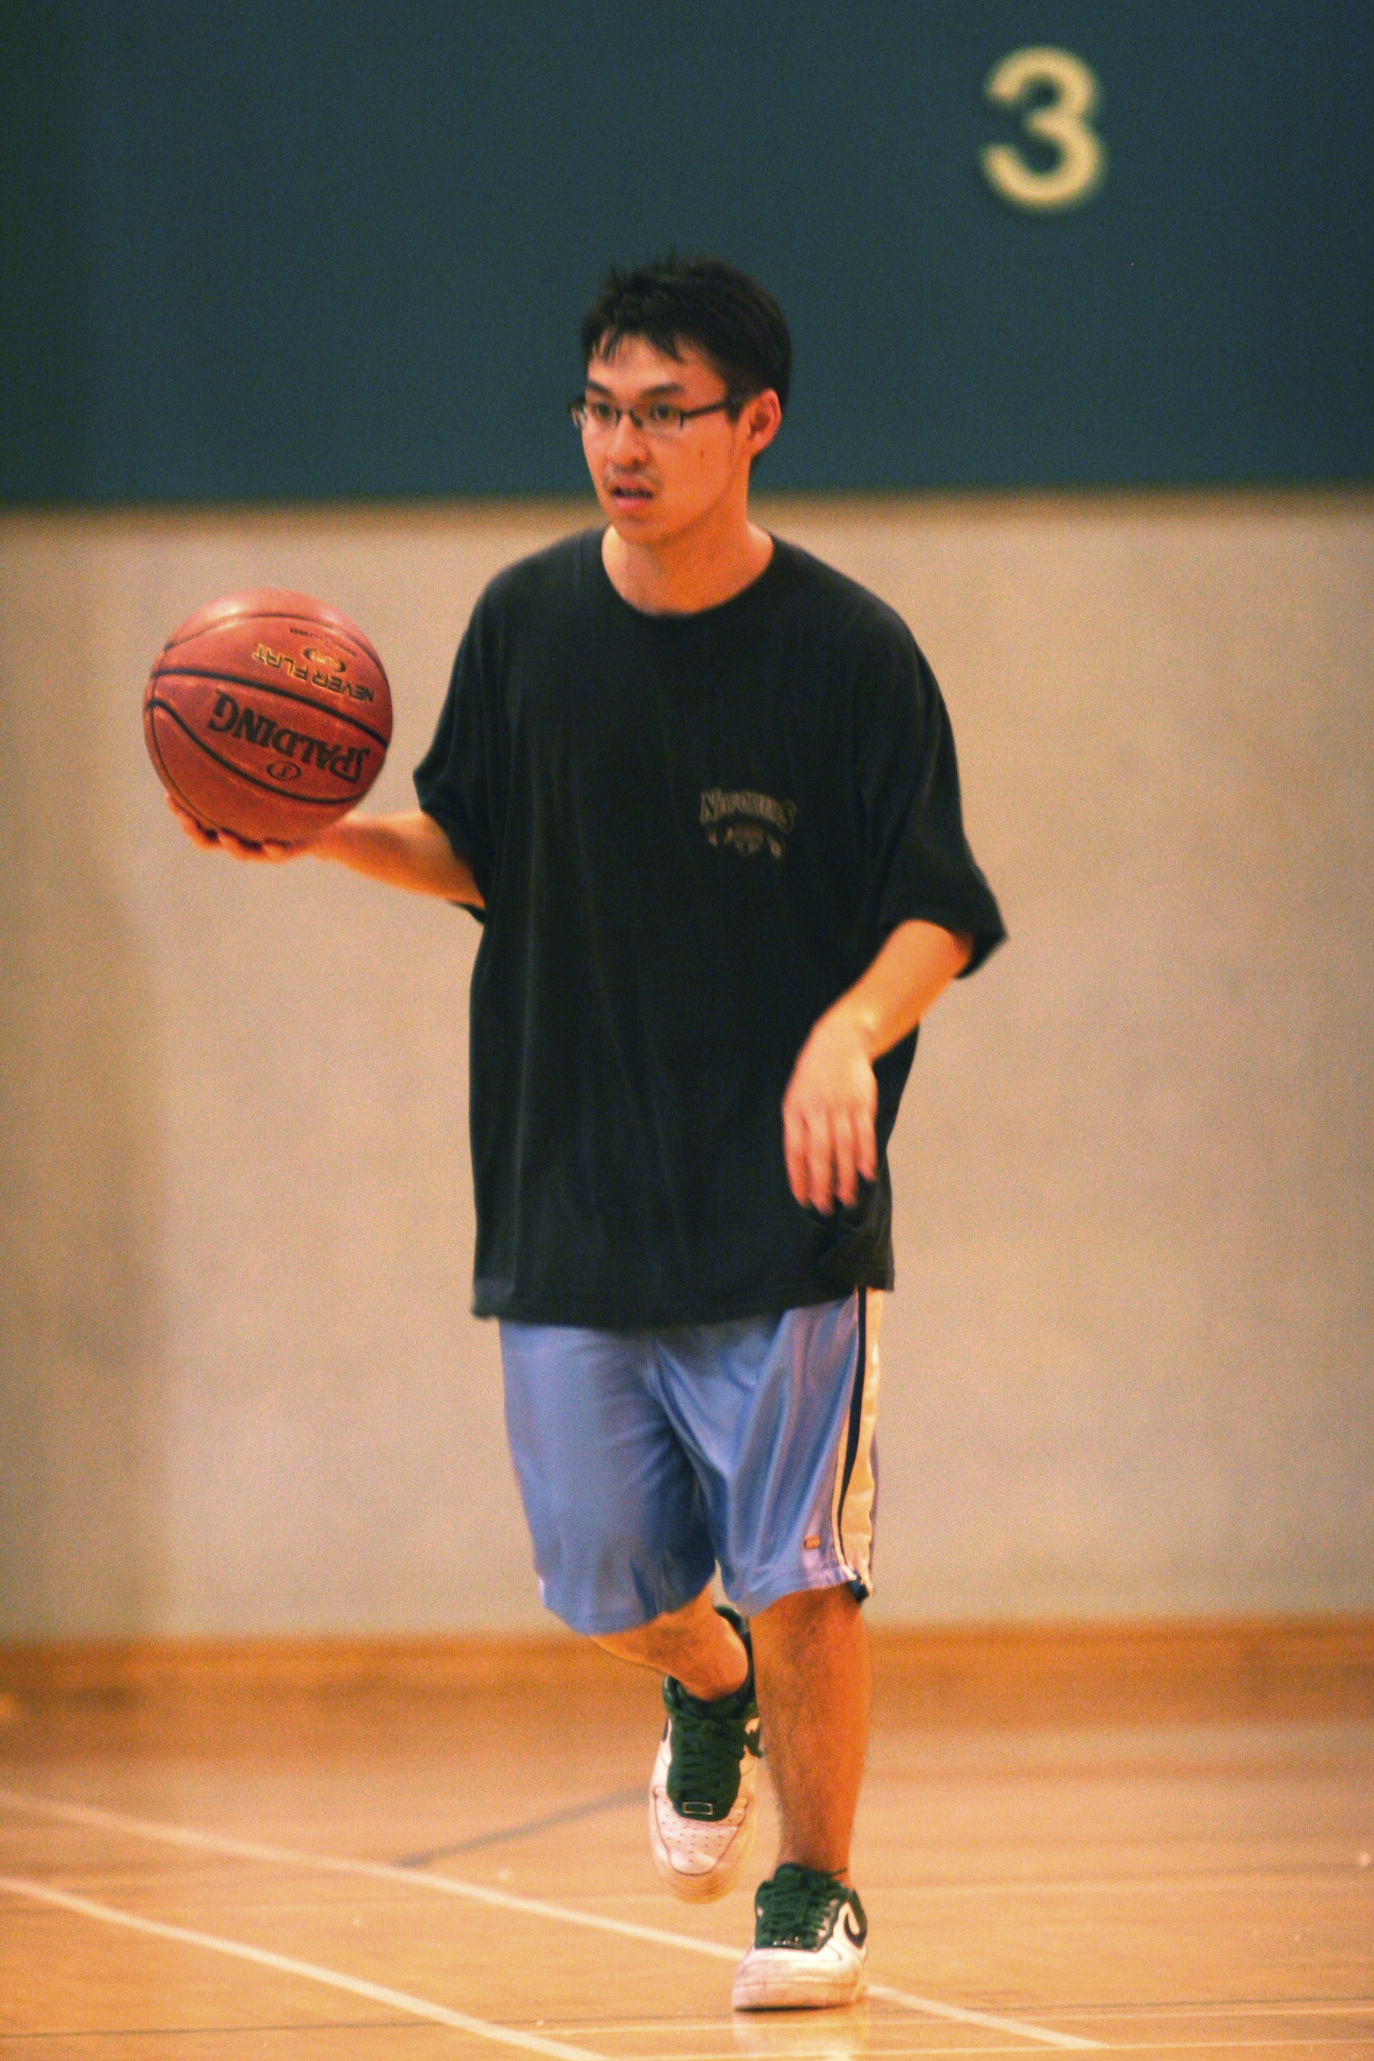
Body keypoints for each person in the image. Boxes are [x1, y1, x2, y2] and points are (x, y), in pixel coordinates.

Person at [172, 256, 1005, 2012]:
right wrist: (316, 833)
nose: (621, 444)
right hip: (566, 1184)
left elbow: (937, 904)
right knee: (602, 1582)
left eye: (661, 412)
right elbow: (480, 847)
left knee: (806, 1569)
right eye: (600, 409)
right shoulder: (527, 625)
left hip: (785, 1200)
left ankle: (816, 1889)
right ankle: (697, 1687)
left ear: (754, 424)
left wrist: (849, 1034)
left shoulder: (850, 655)